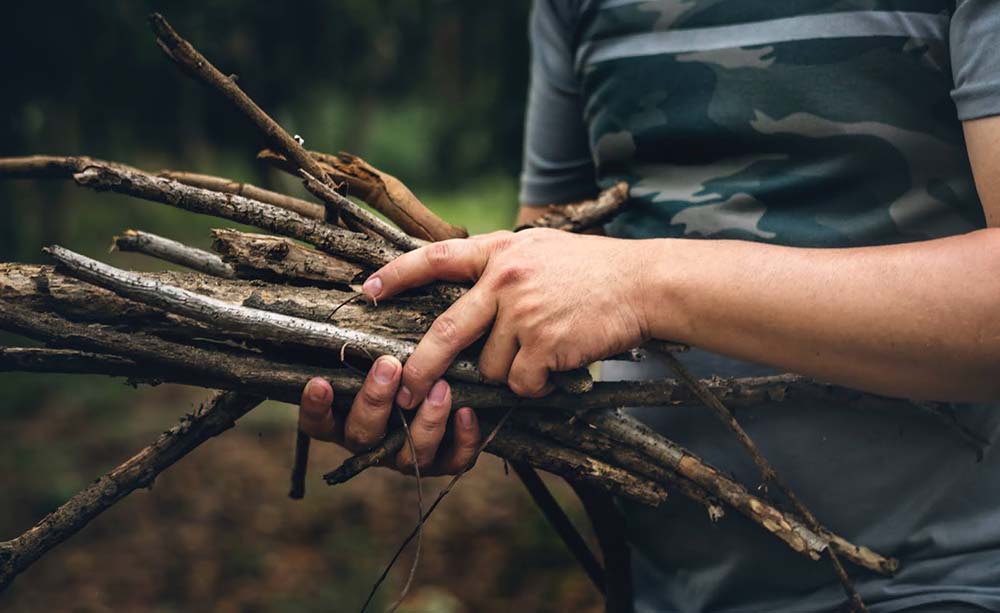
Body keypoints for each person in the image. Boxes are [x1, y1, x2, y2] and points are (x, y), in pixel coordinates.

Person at [298, 2, 1000, 611]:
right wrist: (422, 374)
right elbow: (554, 266)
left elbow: (610, 277)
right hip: (654, 588)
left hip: (946, 580)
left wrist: (642, 283)